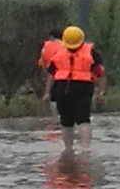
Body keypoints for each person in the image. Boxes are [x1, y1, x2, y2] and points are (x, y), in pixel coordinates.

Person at [37, 23, 100, 151]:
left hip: (62, 87)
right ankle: (85, 148)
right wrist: (100, 92)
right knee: (83, 120)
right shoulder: (91, 52)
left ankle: (68, 149)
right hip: (83, 87)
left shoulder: (57, 54)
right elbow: (100, 72)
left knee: (66, 121)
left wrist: (47, 92)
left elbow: (50, 73)